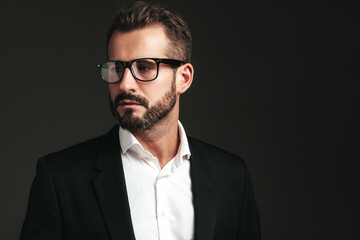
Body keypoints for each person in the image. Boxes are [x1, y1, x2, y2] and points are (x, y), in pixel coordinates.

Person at [20, 1, 261, 240]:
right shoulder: (60, 178)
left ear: (183, 78)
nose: (124, 84)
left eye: (145, 67)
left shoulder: (231, 176)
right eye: (116, 68)